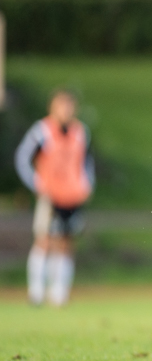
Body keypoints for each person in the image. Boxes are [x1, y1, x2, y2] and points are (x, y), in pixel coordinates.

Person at [15, 89, 95, 306]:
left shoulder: (80, 132)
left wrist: (87, 185)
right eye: (61, 105)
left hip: (72, 195)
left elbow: (86, 162)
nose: (66, 110)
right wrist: (36, 183)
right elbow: (22, 157)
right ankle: (36, 292)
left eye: (69, 106)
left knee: (66, 242)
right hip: (51, 195)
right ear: (52, 107)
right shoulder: (42, 131)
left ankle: (59, 292)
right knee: (44, 239)